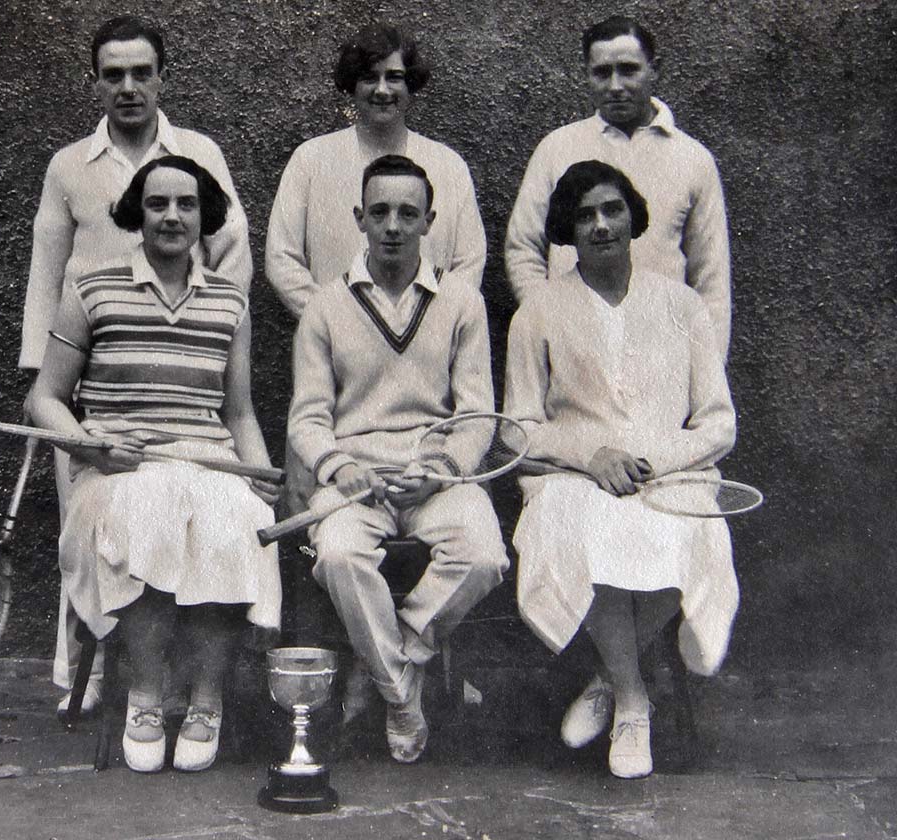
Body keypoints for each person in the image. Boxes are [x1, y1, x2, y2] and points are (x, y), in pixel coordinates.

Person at [19, 16, 253, 716]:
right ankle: (87, 673)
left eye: (140, 72)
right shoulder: (68, 166)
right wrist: (43, 385)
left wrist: (198, 315)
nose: (127, 87)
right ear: (96, 80)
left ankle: (173, 679)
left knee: (182, 529)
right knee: (88, 530)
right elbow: (46, 271)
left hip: (178, 365)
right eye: (113, 73)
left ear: (162, 78)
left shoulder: (199, 152)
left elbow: (232, 250)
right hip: (90, 376)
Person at [27, 156, 280, 773]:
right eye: (158, 203)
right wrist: (89, 444)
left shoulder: (230, 302)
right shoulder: (92, 287)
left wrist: (264, 477)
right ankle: (144, 695)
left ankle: (204, 700)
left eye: (186, 204)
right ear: (135, 213)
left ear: (205, 216)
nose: (172, 216)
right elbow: (44, 399)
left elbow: (239, 412)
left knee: (236, 520)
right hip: (119, 472)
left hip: (208, 464)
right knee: (148, 511)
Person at [503, 160, 738, 779]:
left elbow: (718, 423)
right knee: (587, 524)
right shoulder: (539, 313)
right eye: (584, 216)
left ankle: (611, 674)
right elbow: (517, 429)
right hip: (574, 478)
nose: (601, 225)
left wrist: (656, 460)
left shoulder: (682, 305)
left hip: (668, 476)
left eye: (612, 210)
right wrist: (590, 455)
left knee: (696, 531)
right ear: (566, 229)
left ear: (633, 216)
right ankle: (635, 704)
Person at [288, 155, 508, 763]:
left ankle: (392, 662)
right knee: (336, 553)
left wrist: (442, 469)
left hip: (435, 480)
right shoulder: (326, 305)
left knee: (484, 554)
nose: (392, 225)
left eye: (407, 213)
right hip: (358, 480)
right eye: (379, 211)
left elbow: (479, 414)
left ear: (429, 220)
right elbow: (307, 417)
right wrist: (338, 466)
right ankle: (403, 697)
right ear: (359, 218)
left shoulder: (463, 302)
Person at [505, 15, 731, 360]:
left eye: (628, 69)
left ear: (654, 70)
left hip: (662, 352)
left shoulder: (693, 159)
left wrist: (706, 373)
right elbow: (523, 248)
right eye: (602, 72)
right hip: (576, 353)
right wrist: (550, 322)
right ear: (587, 75)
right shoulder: (557, 148)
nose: (615, 85)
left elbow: (711, 280)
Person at [266, 21, 486, 319]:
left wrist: (430, 323)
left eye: (394, 77)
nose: (382, 90)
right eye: (370, 78)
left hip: (426, 346)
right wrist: (335, 322)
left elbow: (469, 260)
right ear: (353, 86)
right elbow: (281, 258)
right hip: (335, 345)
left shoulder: (448, 165)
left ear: (410, 85)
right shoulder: (311, 159)